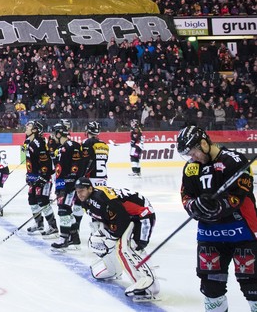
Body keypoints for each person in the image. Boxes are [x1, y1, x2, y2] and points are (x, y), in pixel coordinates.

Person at [177, 125, 257, 311]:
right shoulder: (191, 168)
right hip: (209, 234)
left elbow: (239, 194)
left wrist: (218, 206)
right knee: (211, 288)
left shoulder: (235, 161)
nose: (192, 157)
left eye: (193, 152)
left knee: (252, 285)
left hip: (242, 232)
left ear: (204, 143)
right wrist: (194, 206)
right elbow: (186, 196)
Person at [75, 178, 158, 301]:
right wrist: (106, 237)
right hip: (128, 216)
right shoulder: (88, 201)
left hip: (142, 215)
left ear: (90, 189)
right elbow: (104, 218)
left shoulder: (101, 199)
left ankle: (147, 282)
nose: (79, 194)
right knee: (97, 241)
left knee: (129, 247)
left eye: (82, 190)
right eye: (77, 191)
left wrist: (112, 238)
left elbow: (122, 219)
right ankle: (113, 270)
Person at [51, 121, 85, 249]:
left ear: (59, 133)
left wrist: (72, 182)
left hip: (68, 185)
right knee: (66, 210)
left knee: (63, 210)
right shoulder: (59, 149)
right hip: (61, 184)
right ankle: (74, 237)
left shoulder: (72, 145)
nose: (53, 136)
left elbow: (77, 165)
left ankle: (63, 238)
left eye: (55, 133)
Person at [23, 120, 57, 236]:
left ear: (35, 130)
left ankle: (53, 227)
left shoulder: (38, 143)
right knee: (32, 200)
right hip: (33, 177)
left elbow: (46, 163)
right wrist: (29, 175)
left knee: (43, 201)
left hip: (43, 177)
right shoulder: (29, 142)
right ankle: (39, 224)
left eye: (29, 126)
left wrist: (43, 177)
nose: (26, 128)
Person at [82, 121, 110, 186]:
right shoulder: (104, 144)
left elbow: (85, 160)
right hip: (103, 178)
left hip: (90, 178)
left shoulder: (87, 142)